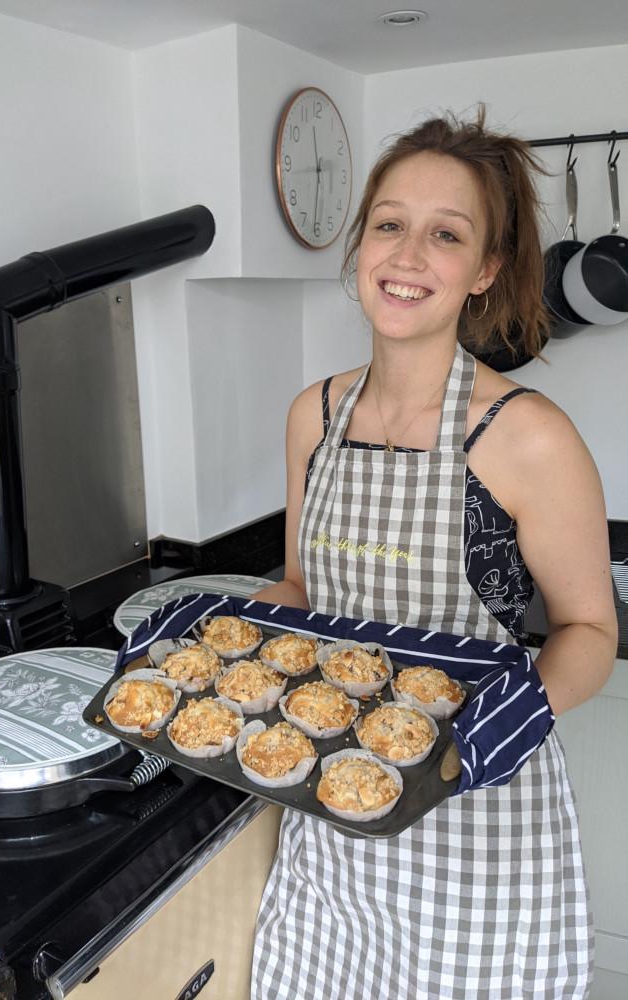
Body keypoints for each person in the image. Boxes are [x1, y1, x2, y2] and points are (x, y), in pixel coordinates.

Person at [249, 108, 618, 1000]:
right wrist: (256, 628)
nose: (408, 256)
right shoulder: (315, 415)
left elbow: (591, 629)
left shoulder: (525, 435)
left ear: (485, 270)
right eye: (390, 225)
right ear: (360, 246)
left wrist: (509, 719)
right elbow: (306, 581)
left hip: (474, 813)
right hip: (332, 803)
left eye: (445, 234)